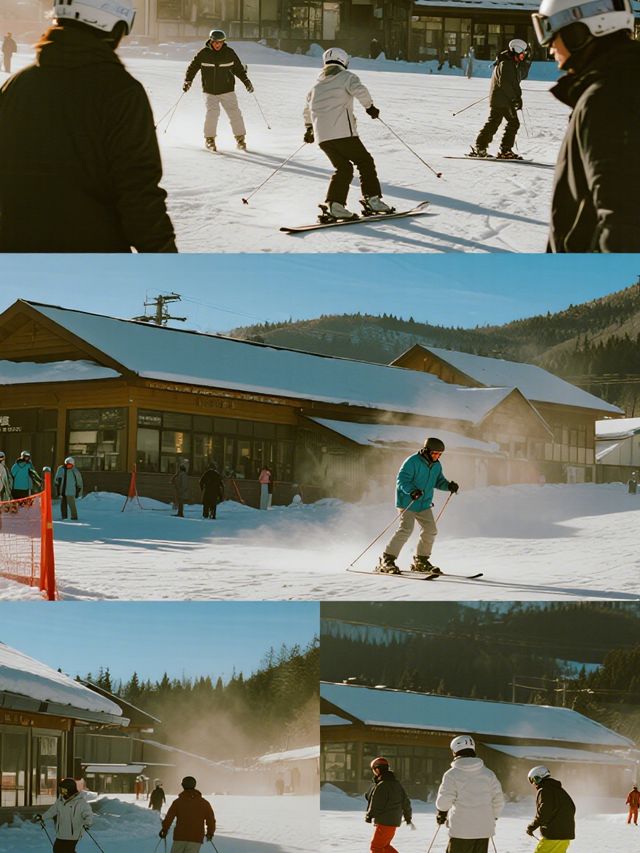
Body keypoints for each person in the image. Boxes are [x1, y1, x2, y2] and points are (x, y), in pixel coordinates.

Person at [0, 0, 176, 253]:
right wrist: (165, 260)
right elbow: (137, 190)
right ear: (109, 25)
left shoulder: (17, 85)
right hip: (94, 252)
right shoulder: (119, 90)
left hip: (16, 253)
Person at [532, 0, 640, 251]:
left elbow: (624, 219)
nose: (549, 48)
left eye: (551, 32)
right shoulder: (623, 84)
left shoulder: (609, 98)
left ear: (579, 33)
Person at [303, 47, 393, 221]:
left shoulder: (315, 87)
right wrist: (370, 107)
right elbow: (360, 91)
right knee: (365, 162)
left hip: (323, 138)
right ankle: (372, 200)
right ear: (343, 61)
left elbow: (307, 109)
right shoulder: (347, 77)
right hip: (343, 133)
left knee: (343, 168)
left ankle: (335, 206)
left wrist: (309, 129)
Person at [377, 437, 459, 575]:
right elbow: (402, 480)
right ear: (426, 451)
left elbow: (439, 481)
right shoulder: (412, 461)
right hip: (407, 502)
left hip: (424, 504)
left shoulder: (436, 465)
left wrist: (448, 485)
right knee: (406, 530)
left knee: (431, 530)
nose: (437, 456)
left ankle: (420, 561)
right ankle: (387, 560)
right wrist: (412, 491)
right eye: (434, 453)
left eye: (439, 454)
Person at [183, 30, 253, 153]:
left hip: (227, 90)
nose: (217, 45)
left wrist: (246, 81)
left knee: (235, 113)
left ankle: (240, 139)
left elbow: (238, 69)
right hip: (210, 91)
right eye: (215, 42)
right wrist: (188, 81)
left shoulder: (229, 53)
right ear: (211, 41)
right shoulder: (203, 53)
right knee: (212, 113)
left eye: (220, 42)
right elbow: (192, 67)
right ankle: (210, 139)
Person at [435, 735, 505, 853]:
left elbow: (444, 801)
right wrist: (493, 816)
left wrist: (441, 812)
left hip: (461, 831)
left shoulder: (452, 774)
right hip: (483, 831)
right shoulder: (488, 774)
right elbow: (498, 799)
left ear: (455, 751)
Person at [469, 38, 529, 159]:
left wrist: (524, 64)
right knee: (513, 123)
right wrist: (514, 98)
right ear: (516, 51)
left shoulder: (509, 63)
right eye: (522, 55)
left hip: (501, 99)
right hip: (503, 100)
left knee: (494, 122)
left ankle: (481, 146)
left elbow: (518, 78)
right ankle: (504, 150)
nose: (523, 57)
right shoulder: (506, 64)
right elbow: (505, 83)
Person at [365, 756, 413, 853]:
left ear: (377, 769)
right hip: (393, 821)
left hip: (385, 821)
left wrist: (370, 815)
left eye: (373, 769)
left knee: (376, 847)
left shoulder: (382, 785)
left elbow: (377, 803)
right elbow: (406, 802)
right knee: (385, 846)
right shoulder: (397, 784)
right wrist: (408, 816)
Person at [35, 777, 93, 853]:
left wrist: (87, 823)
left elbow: (88, 815)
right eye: (61, 790)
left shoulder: (80, 803)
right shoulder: (60, 801)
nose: (62, 792)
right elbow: (52, 811)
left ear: (70, 790)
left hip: (73, 834)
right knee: (57, 850)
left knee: (66, 850)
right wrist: (42, 817)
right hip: (61, 833)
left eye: (64, 790)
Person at [526, 766, 575, 853]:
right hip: (565, 835)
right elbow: (572, 808)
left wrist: (532, 827)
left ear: (538, 778)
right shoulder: (559, 790)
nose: (533, 784)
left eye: (533, 780)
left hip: (553, 835)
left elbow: (544, 812)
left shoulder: (545, 790)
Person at [160, 775, 216, 852]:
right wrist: (210, 833)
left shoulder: (178, 802)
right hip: (196, 838)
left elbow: (169, 817)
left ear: (183, 785)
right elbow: (211, 820)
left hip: (180, 837)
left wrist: (165, 829)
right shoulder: (204, 803)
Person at [54, 457, 83, 521]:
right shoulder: (61, 469)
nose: (68, 466)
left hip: (71, 491)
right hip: (62, 490)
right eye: (67, 464)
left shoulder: (75, 471)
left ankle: (74, 516)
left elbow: (79, 481)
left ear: (73, 465)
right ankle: (64, 516)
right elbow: (57, 479)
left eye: (70, 465)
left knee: (72, 505)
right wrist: (57, 489)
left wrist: (78, 491)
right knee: (63, 505)